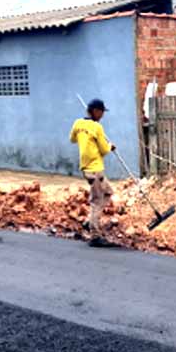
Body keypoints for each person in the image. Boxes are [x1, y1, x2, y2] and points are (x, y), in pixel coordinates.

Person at [69, 98, 117, 248]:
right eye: (102, 112)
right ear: (96, 111)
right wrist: (111, 146)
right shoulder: (97, 127)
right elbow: (103, 149)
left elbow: (72, 139)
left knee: (108, 192)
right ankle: (95, 235)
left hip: (86, 169)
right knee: (97, 201)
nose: (102, 115)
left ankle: (90, 221)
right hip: (95, 169)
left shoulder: (78, 123)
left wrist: (85, 138)